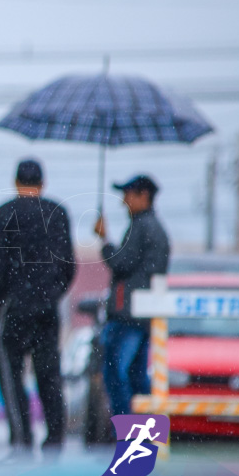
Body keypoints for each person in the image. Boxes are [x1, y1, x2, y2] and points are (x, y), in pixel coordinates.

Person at [0, 159, 75, 458]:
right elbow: (69, 265)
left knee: (11, 375)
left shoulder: (6, 212)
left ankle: (21, 439)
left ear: (16, 183)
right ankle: (55, 439)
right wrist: (53, 293)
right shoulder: (58, 213)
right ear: (43, 183)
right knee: (49, 374)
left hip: (14, 306)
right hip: (46, 308)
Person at [94, 175, 169, 416]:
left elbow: (121, 263)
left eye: (127, 195)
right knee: (137, 378)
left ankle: (128, 437)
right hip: (141, 315)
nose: (123, 202)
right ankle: (144, 441)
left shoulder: (142, 227)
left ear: (143, 196)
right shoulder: (153, 227)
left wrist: (104, 239)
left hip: (128, 316)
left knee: (116, 374)